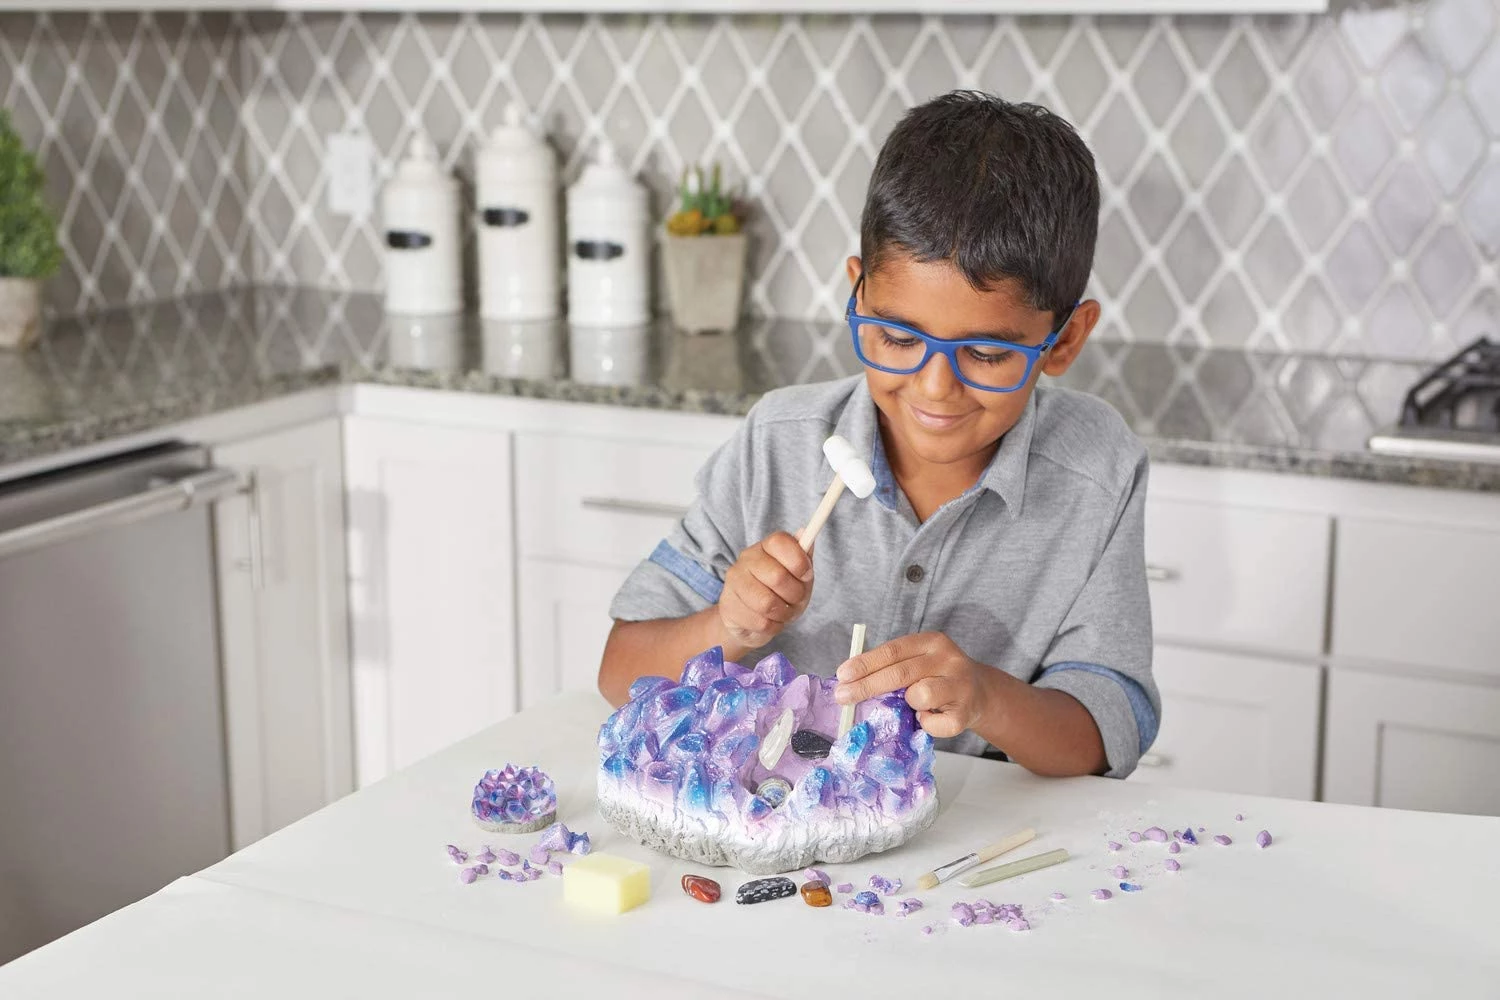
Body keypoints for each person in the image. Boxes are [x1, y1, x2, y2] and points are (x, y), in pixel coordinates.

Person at [598, 91, 1158, 779]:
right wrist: (729, 627)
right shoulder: (777, 444)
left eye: (987, 354)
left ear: (1064, 340)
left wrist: (987, 699)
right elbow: (620, 673)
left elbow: (1109, 732)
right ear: (857, 293)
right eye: (897, 338)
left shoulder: (1098, 470)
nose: (934, 388)